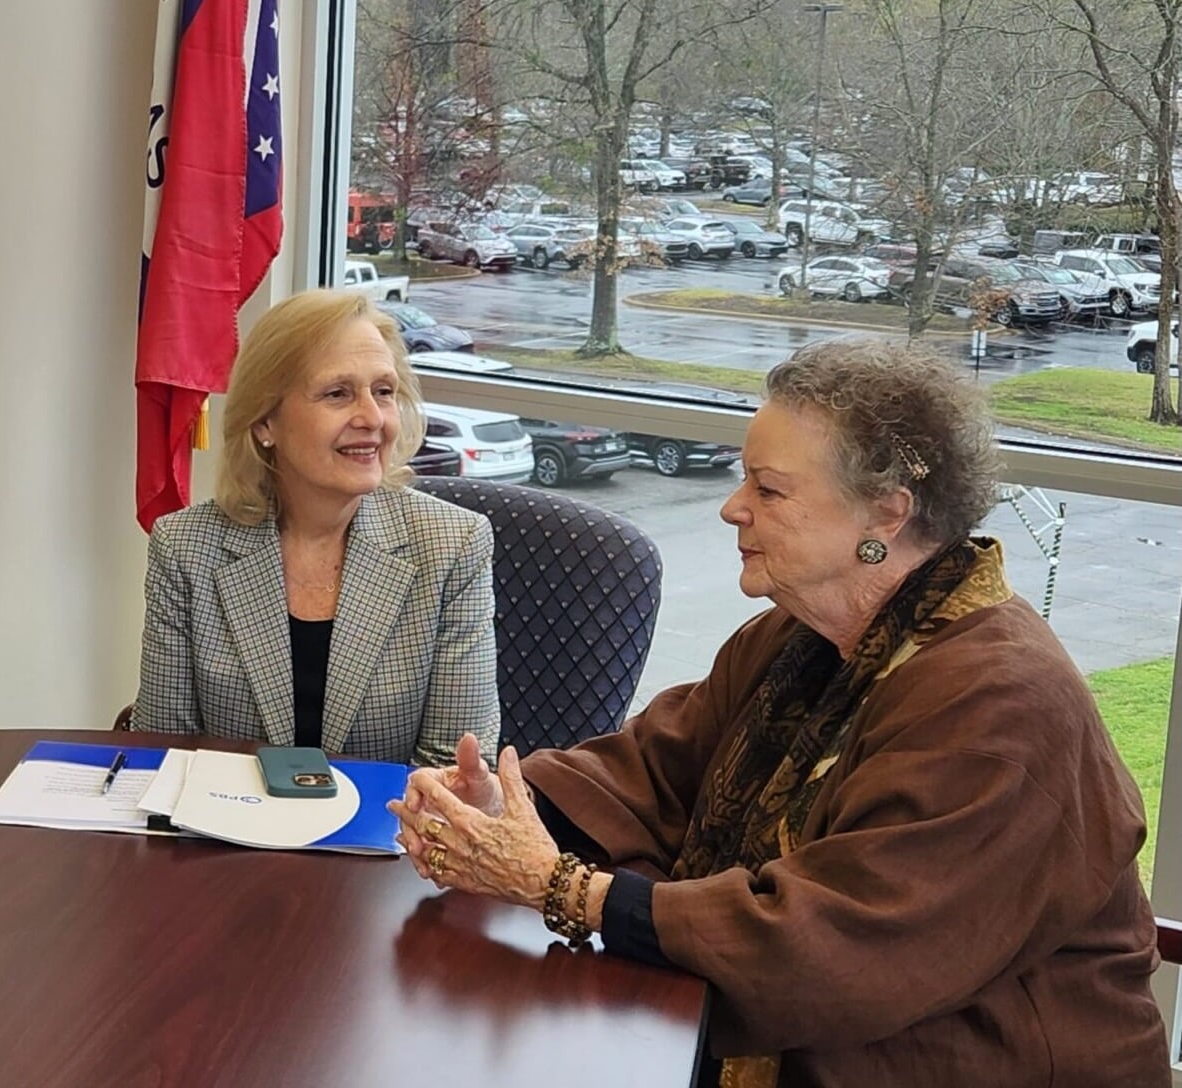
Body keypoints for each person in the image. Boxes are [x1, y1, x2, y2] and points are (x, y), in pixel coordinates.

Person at [388, 339, 1168, 1085]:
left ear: (885, 516)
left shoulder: (1002, 707)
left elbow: (836, 952)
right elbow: (655, 769)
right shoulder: (799, 635)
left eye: (768, 488)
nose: (733, 508)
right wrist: (499, 809)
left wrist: (561, 888)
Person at [132, 288, 499, 766]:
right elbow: (165, 755)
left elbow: (455, 772)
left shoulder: (452, 546)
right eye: (337, 393)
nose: (372, 418)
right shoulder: (185, 548)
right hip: (227, 833)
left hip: (388, 836)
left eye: (383, 392)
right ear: (266, 422)